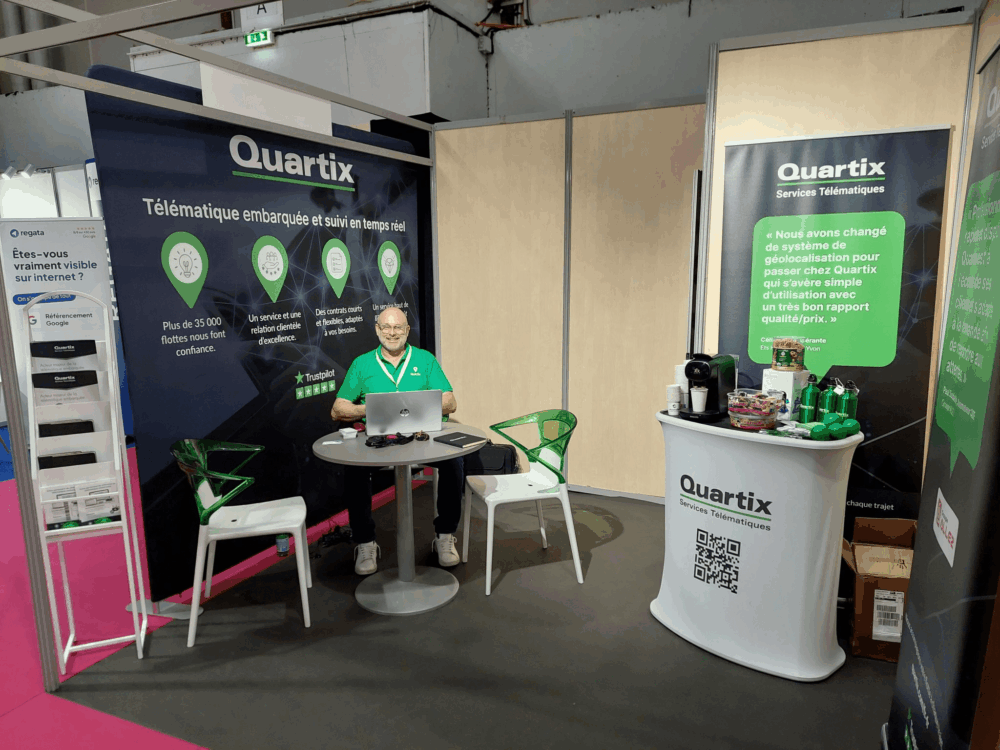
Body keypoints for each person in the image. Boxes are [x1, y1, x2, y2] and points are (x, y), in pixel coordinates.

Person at [331, 307, 464, 575]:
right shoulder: (362, 364)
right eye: (386, 327)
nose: (392, 333)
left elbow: (450, 402)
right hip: (378, 441)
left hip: (423, 439)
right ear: (377, 329)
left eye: (398, 328)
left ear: (407, 331)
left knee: (454, 463)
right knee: (354, 471)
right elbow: (338, 409)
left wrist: (413, 407)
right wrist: (372, 409)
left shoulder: (425, 360)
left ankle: (445, 536)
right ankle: (365, 542)